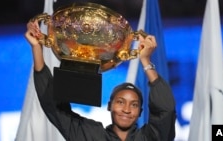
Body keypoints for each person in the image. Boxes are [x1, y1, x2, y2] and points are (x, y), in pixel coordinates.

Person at [25, 19, 176, 141]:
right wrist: (37, 49)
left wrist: (146, 61)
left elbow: (166, 110)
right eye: (120, 102)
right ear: (109, 106)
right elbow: (54, 108)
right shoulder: (91, 136)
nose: (126, 109)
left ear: (140, 112)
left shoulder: (151, 138)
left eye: (134, 105)